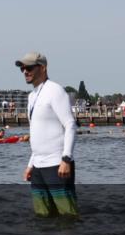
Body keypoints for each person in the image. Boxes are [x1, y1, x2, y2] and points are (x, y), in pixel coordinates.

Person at [16, 52, 78, 218]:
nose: (24, 71)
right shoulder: (32, 96)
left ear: (42, 68)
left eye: (29, 67)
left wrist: (66, 159)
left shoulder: (55, 90)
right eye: (22, 68)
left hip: (57, 165)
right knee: (42, 216)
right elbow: (38, 133)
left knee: (67, 217)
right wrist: (31, 164)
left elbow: (70, 125)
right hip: (38, 166)